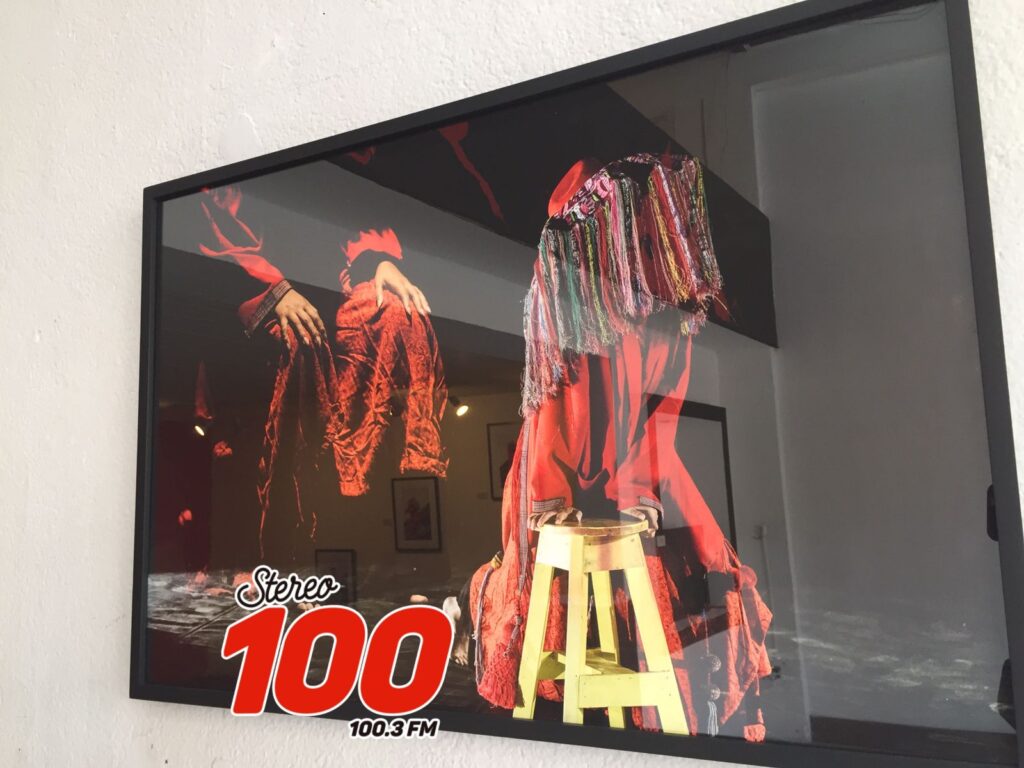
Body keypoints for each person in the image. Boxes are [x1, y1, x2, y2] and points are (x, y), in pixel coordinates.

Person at [465, 154, 772, 740]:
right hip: (602, 477)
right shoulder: (614, 290)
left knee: (654, 597)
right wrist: (574, 489)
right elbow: (569, 408)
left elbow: (583, 408)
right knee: (632, 604)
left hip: (604, 477)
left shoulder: (600, 288)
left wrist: (588, 489)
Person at [189, 184, 447, 560]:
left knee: (396, 311)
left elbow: (348, 221)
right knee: (296, 335)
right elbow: (211, 245)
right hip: (250, 294)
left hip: (329, 287)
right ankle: (288, 524)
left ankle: (379, 485)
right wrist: (274, 292)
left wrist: (380, 262)